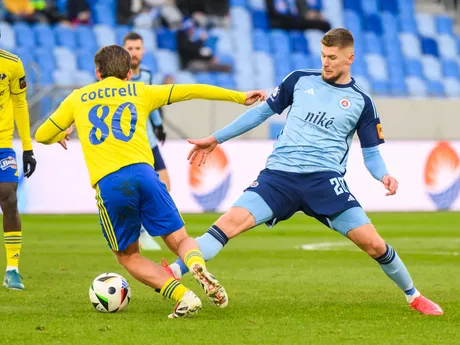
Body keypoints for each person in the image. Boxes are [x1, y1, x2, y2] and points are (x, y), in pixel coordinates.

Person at [167, 28, 444, 316]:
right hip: (279, 176)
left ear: (350, 58)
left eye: (333, 57)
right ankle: (172, 273)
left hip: (324, 182)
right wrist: (216, 138)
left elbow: (371, 153)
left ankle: (414, 296)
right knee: (227, 225)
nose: (326, 62)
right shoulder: (299, 80)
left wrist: (383, 175)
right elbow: (260, 113)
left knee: (374, 244)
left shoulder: (362, 102)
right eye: (323, 56)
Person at [35, 45, 265, 318]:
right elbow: (192, 90)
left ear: (97, 72)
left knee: (128, 255)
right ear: (129, 73)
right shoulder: (141, 91)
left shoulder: (78, 98)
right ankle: (195, 263)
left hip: (111, 183)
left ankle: (183, 296)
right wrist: (239, 97)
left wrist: (61, 132)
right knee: (180, 239)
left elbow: (41, 134)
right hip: (146, 174)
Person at [123, 32, 169, 250]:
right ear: (124, 51)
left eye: (137, 48)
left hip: (149, 139)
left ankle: (145, 230)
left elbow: (151, 105)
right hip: (131, 142)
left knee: (165, 184)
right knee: (137, 188)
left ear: (143, 50)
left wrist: (158, 124)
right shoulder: (117, 77)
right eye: (130, 48)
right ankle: (138, 232)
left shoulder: (148, 75)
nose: (134, 52)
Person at [0, 48, 37, 290]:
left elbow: (20, 104)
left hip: (3, 143)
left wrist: (27, 147)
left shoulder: (12, 64)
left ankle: (12, 269)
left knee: (9, 196)